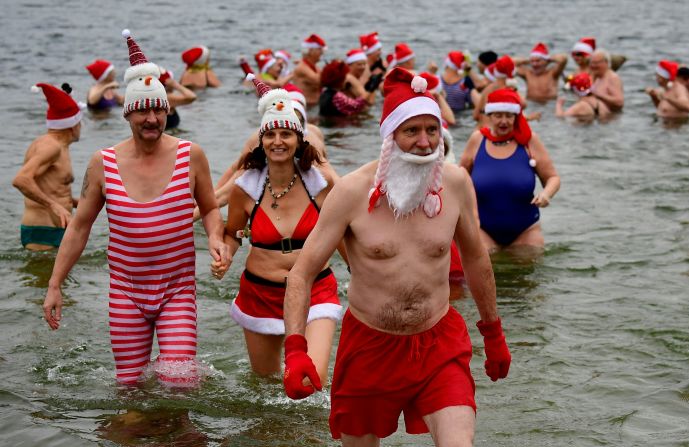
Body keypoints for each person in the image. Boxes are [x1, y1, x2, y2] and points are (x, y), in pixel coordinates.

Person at [282, 67, 511, 446]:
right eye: (412, 131)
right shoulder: (352, 193)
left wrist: (493, 332)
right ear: (390, 135)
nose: (424, 143)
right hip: (370, 346)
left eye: (432, 130)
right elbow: (302, 273)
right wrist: (295, 350)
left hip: (439, 342)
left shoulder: (455, 184)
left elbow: (475, 260)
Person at [41, 30, 229, 387]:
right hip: (126, 290)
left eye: (158, 109)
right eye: (142, 109)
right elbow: (80, 227)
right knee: (129, 386)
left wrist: (216, 239)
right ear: (127, 113)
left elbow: (209, 208)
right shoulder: (103, 163)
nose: (151, 118)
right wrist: (54, 284)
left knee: (179, 383)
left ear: (167, 111)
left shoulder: (191, 155)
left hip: (177, 289)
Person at [220, 76, 342, 383]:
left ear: (299, 139)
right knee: (267, 387)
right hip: (260, 293)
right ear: (260, 141)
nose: (278, 141)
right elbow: (234, 234)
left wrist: (365, 269)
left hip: (316, 288)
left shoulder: (320, 184)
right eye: (271, 133)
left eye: (286, 133)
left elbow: (342, 233)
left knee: (312, 380)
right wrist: (225, 254)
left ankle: (313, 433)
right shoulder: (245, 189)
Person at [461, 88, 560, 251]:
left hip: (526, 229)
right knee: (486, 272)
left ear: (516, 116)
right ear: (489, 116)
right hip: (483, 228)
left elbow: (553, 178)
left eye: (509, 116)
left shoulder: (529, 141)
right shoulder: (477, 140)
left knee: (527, 273)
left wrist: (546, 194)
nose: (504, 121)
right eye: (498, 115)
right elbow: (459, 179)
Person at [13, 83, 84, 251]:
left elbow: (54, 189)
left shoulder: (56, 145)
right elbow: (21, 180)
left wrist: (84, 204)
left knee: (58, 277)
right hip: (42, 230)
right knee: (45, 278)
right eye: (81, 122)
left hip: (54, 229)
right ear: (73, 125)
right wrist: (55, 206)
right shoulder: (51, 147)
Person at [292, 34, 327, 107]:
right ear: (310, 51)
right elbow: (320, 81)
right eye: (319, 49)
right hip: (306, 108)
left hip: (314, 106)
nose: (322, 52)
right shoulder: (302, 68)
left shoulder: (314, 67)